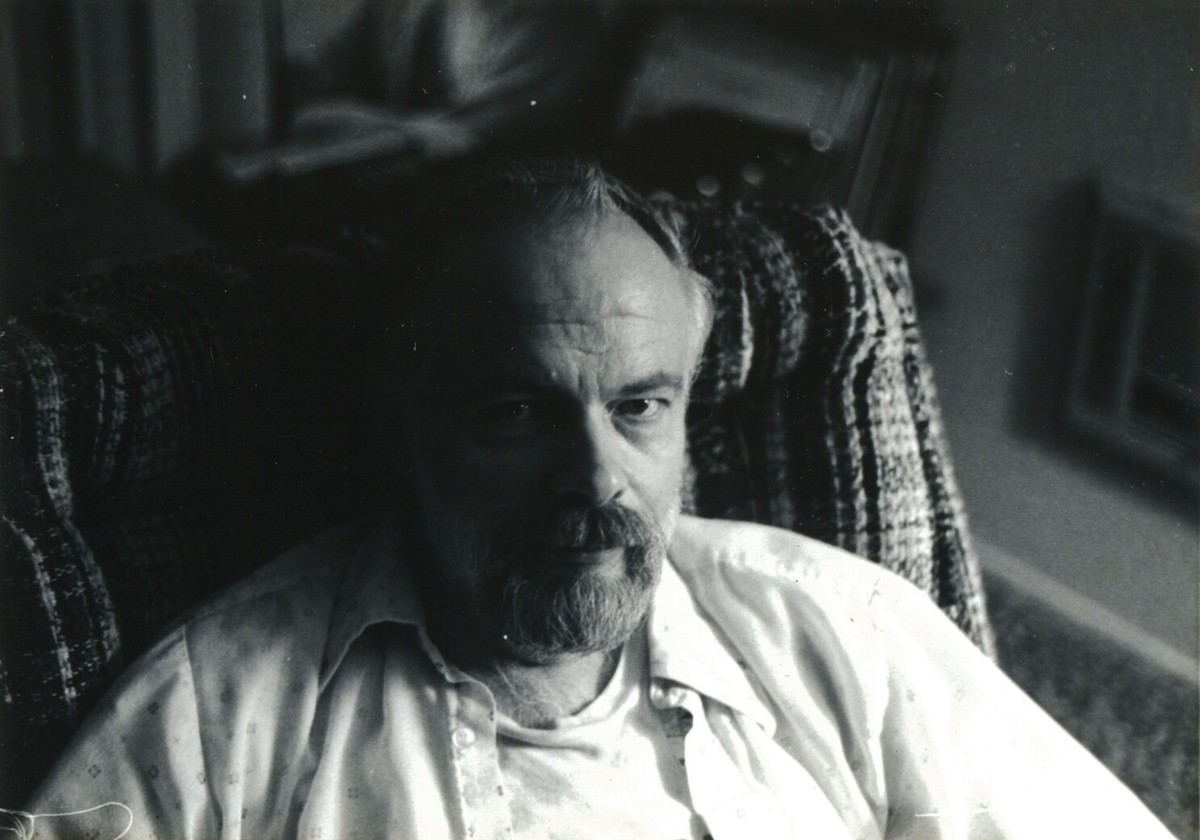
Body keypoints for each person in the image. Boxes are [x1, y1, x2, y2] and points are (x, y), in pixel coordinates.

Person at [22, 160, 1171, 839]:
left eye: (639, 407)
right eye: (516, 412)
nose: (595, 478)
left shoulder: (839, 630)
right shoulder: (219, 716)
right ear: (404, 428)